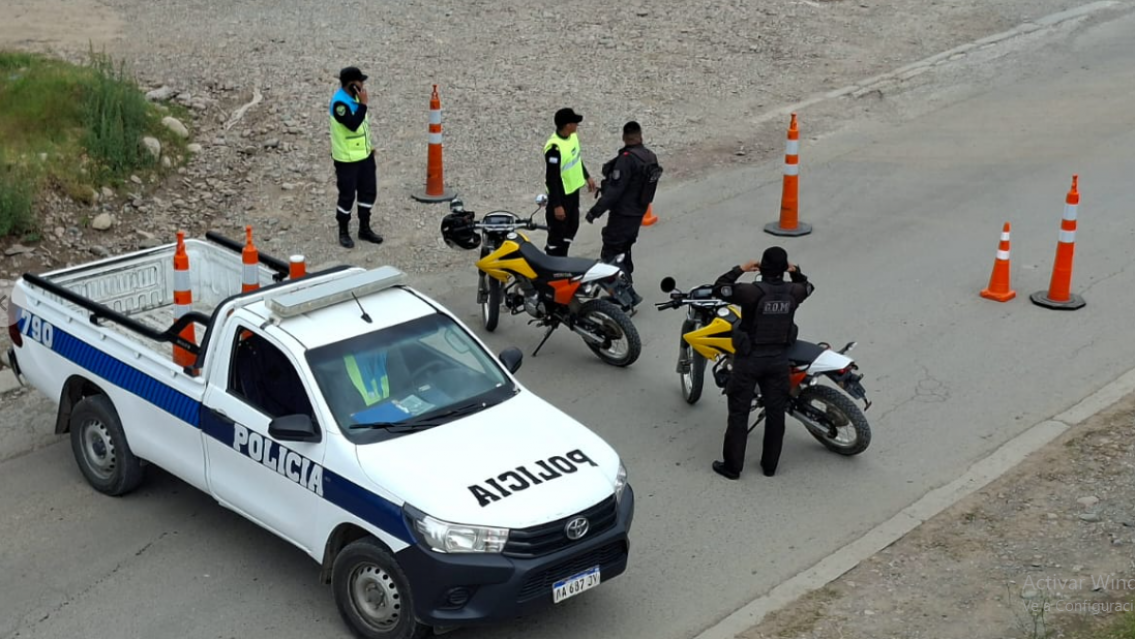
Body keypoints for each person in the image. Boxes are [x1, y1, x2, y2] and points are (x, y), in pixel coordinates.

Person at [711, 246, 814, 480]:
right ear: (784, 269)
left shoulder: (750, 292)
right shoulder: (794, 291)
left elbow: (720, 289)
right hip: (778, 360)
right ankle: (770, 466)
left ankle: (732, 467)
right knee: (776, 413)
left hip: (749, 360)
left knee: (738, 413)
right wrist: (796, 272)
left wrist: (741, 269)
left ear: (762, 267)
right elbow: (809, 287)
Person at [585, 120, 663, 307]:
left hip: (623, 215)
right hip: (637, 214)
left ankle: (624, 297)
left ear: (624, 137)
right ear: (640, 136)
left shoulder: (627, 159)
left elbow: (614, 191)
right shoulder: (650, 156)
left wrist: (595, 211)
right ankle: (628, 290)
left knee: (610, 254)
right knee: (623, 252)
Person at [329, 66, 384, 249]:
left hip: (364, 156)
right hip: (347, 160)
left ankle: (364, 228)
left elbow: (363, 128)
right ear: (352, 84)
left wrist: (369, 148)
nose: (362, 85)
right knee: (347, 196)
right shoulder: (340, 104)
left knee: (368, 192)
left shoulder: (354, 98)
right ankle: (343, 231)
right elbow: (352, 125)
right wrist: (363, 104)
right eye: (360, 82)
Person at [543, 108, 597, 257]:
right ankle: (552, 264)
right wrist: (557, 205)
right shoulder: (554, 148)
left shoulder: (572, 137)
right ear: (567, 125)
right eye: (575, 123)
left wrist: (587, 176)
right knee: (557, 234)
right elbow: (551, 179)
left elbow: (576, 159)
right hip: (561, 196)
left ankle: (562, 260)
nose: (577, 125)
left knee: (571, 228)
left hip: (573, 193)